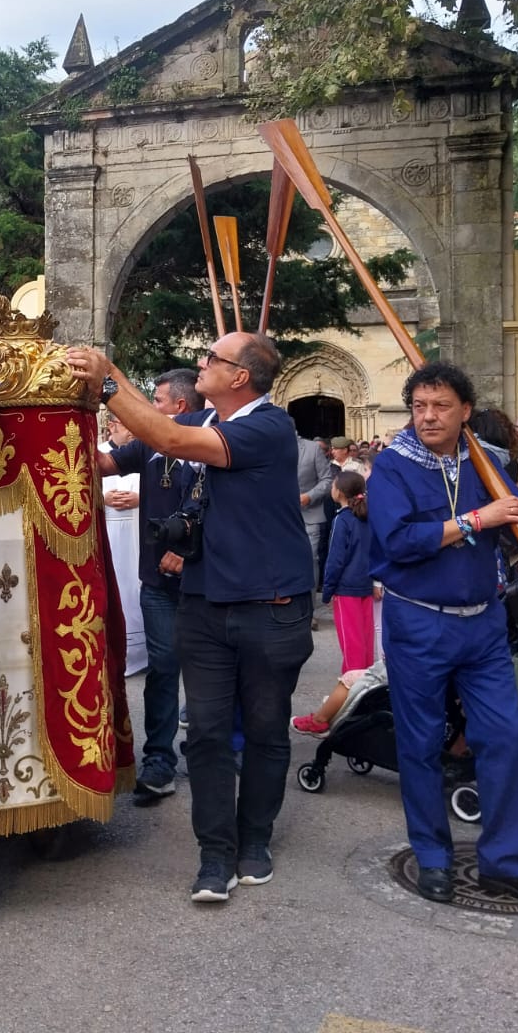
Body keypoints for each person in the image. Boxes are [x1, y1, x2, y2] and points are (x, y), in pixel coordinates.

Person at [71, 332, 314, 904]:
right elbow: (157, 418)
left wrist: (106, 380)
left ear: (240, 378)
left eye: (213, 358)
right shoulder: (211, 414)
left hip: (270, 606)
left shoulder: (268, 426)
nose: (200, 362)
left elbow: (170, 435)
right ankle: (214, 854)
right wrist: (110, 380)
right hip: (203, 602)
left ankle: (255, 840)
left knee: (264, 731)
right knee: (204, 734)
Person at [368, 361, 518, 906]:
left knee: (504, 740)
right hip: (418, 621)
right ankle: (434, 858)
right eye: (419, 407)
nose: (428, 417)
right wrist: (474, 521)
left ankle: (504, 863)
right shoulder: (393, 465)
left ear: (466, 412)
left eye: (440, 407)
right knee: (419, 745)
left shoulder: (483, 460)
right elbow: (398, 541)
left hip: (483, 624)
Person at [105, 366, 205, 801]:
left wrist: (186, 551)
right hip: (156, 583)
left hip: (205, 582)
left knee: (210, 673)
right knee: (163, 670)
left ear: (179, 406)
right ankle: (159, 761)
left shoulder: (212, 442)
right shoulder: (147, 443)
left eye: (157, 402)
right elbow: (103, 463)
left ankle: (211, 751)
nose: (150, 409)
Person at [100, 414, 146, 676]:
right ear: (112, 426)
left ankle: (141, 654)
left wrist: (140, 498)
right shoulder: (100, 455)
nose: (133, 430)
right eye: (129, 423)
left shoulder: (143, 451)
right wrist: (103, 497)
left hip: (138, 538)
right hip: (109, 535)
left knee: (136, 589)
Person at [321, 471, 373, 674]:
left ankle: (352, 685)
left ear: (340, 492)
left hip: (346, 588)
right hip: (366, 584)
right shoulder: (367, 517)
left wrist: (327, 589)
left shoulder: (342, 520)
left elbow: (335, 559)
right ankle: (367, 683)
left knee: (351, 642)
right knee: (366, 640)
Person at [297, 429, 337, 592]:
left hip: (309, 514)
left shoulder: (312, 449)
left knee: (309, 559)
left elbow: (327, 480)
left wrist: (309, 496)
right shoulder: (269, 446)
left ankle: (308, 607)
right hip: (277, 516)